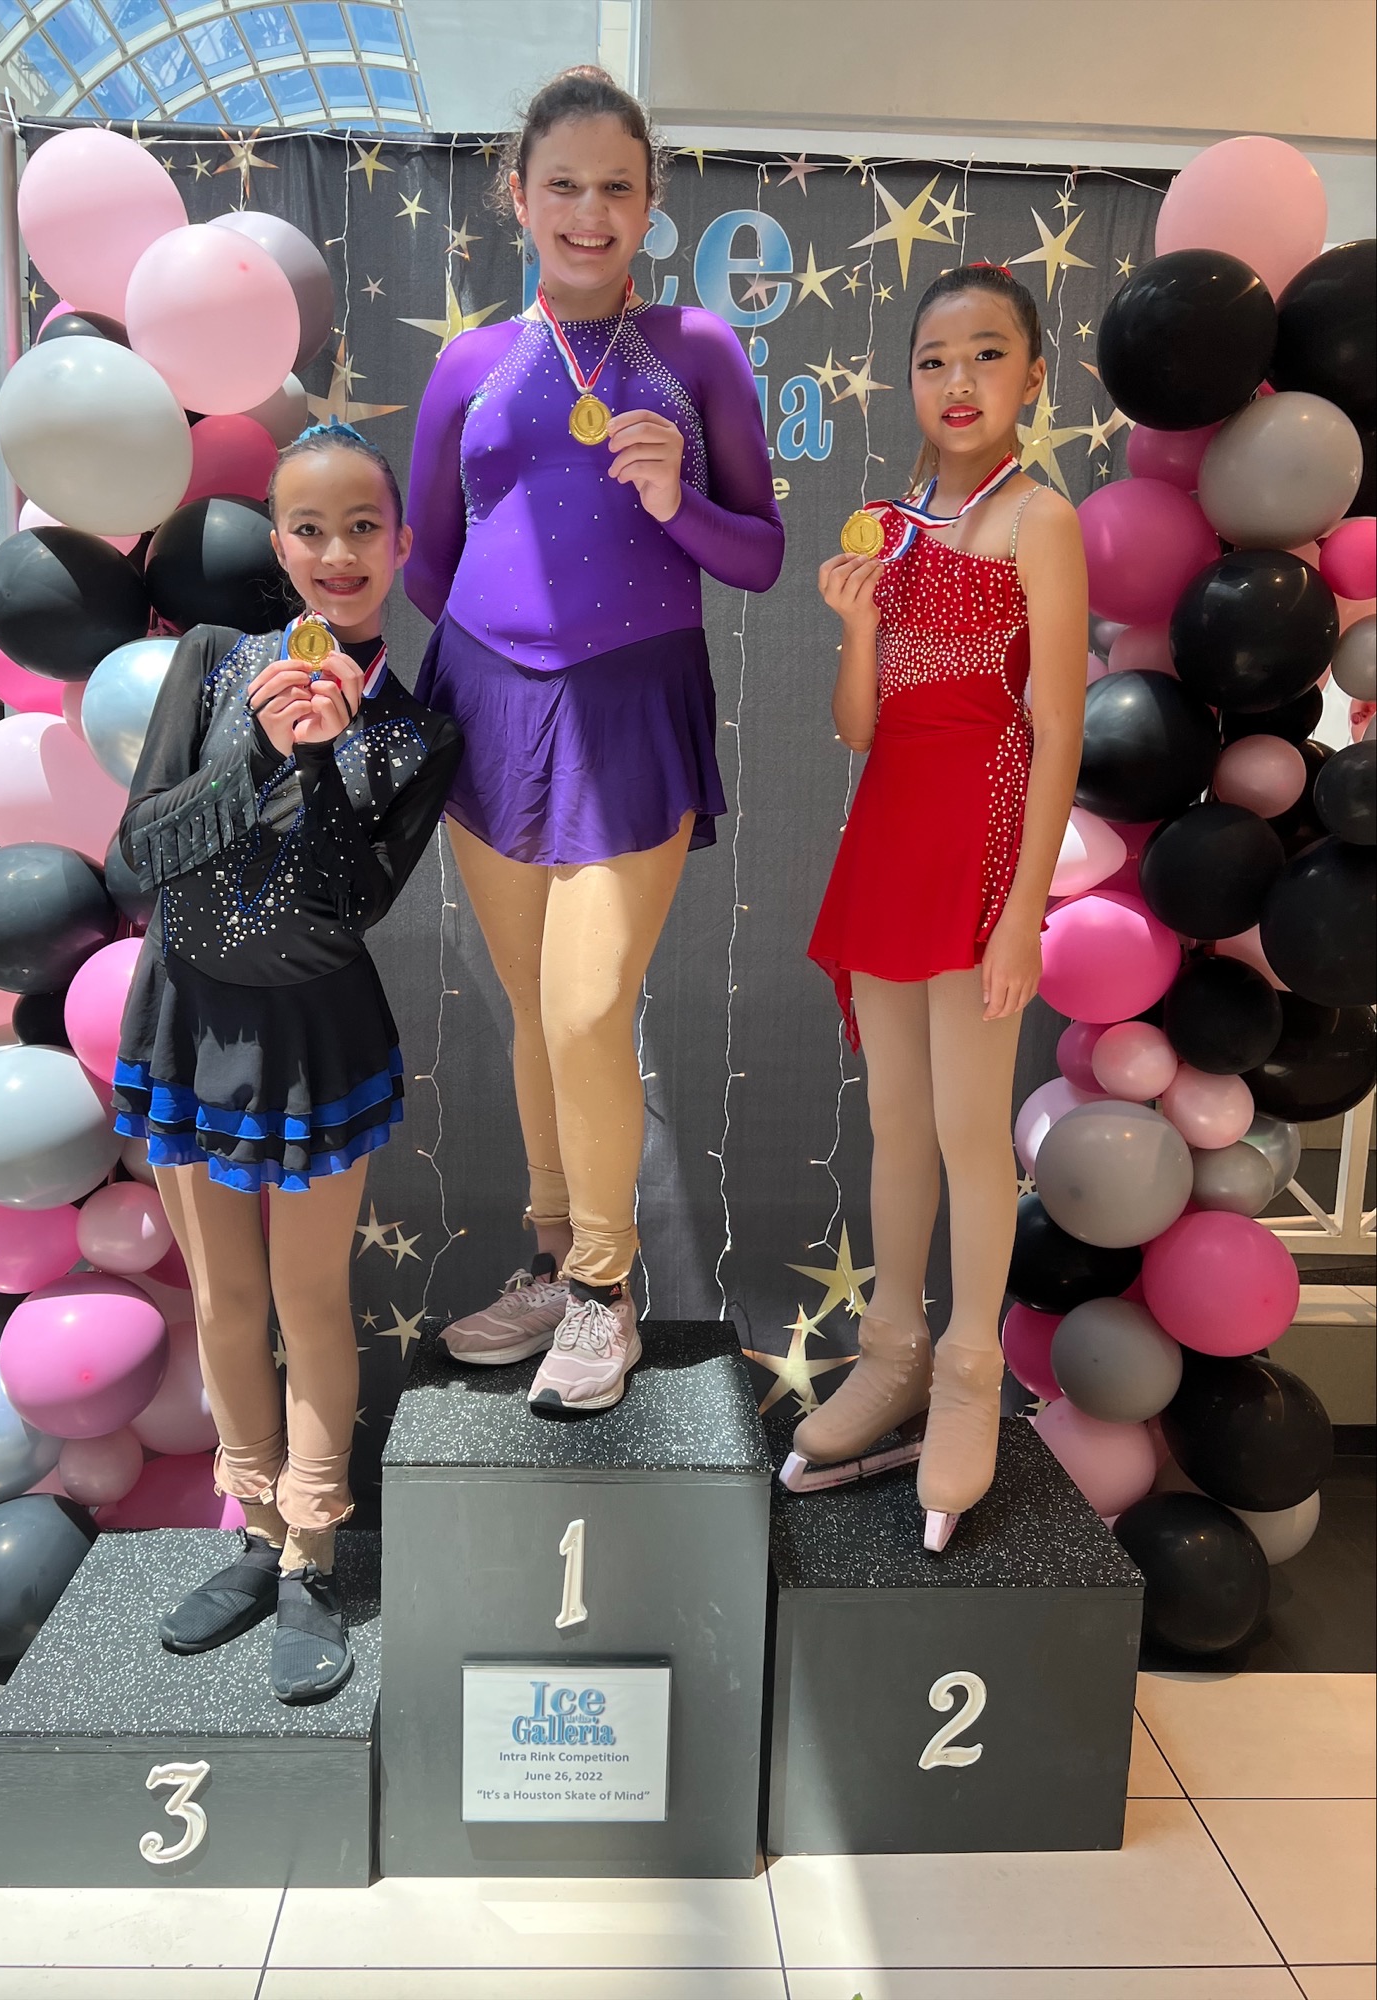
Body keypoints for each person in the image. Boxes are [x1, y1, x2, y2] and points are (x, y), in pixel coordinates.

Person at [405, 66, 783, 1414]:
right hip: (489, 711)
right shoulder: (467, 362)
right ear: (517, 197)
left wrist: (677, 502)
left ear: (650, 203)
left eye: (614, 186)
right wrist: (506, 667)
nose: (587, 210)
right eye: (560, 184)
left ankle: (608, 1298)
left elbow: (761, 555)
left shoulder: (697, 351)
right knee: (534, 1016)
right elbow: (427, 566)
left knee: (585, 1007)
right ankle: (556, 1259)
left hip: (634, 709)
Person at [111, 423, 462, 1702]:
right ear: (277, 544)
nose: (336, 552)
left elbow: (346, 907)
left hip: (315, 1036)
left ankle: (314, 1547)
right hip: (186, 1019)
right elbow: (134, 860)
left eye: (363, 527)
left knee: (311, 1302)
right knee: (225, 1302)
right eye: (309, 529)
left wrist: (321, 761)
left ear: (402, 543)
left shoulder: (415, 733)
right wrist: (257, 747)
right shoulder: (211, 663)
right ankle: (253, 1529)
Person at [793, 263, 1087, 1551]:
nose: (954, 382)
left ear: (1032, 376)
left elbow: (1057, 726)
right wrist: (854, 626)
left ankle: (971, 1369)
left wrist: (1023, 909)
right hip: (889, 834)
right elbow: (860, 727)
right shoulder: (888, 522)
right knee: (898, 1125)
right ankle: (893, 1345)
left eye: (983, 355)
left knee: (974, 1131)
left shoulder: (1040, 519)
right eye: (930, 359)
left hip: (982, 842)